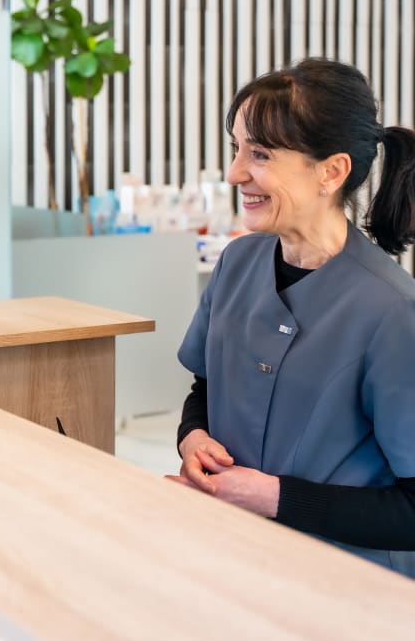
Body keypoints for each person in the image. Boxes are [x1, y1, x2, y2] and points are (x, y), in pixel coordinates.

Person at [171, 57, 415, 577]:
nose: (236, 173)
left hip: (350, 592)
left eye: (259, 154)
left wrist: (276, 498)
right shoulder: (237, 264)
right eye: (236, 149)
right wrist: (192, 438)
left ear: (332, 171)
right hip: (235, 559)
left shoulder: (392, 312)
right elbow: (205, 388)